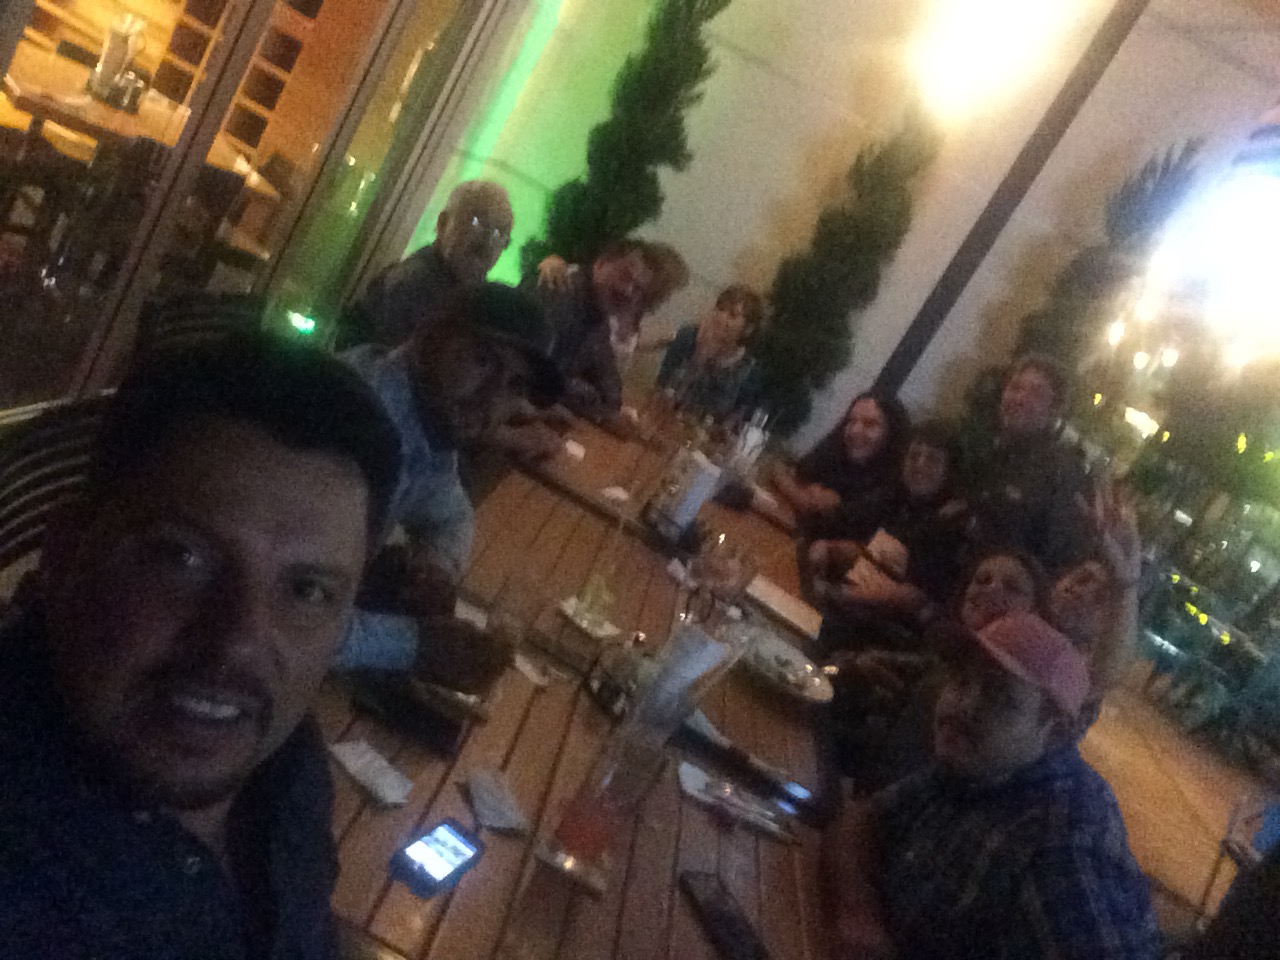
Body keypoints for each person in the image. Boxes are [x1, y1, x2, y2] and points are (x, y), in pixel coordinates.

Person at [0, 334, 402, 957]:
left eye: (306, 590)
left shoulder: (286, 762)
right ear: (64, 554)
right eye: (182, 557)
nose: (237, 643)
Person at [826, 611, 1159, 960]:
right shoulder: (979, 765)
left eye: (999, 697)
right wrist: (859, 917)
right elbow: (862, 819)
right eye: (961, 680)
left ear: (1054, 733)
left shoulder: (1062, 850)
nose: (964, 706)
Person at [337, 282, 562, 672]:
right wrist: (414, 646)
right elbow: (280, 620)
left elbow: (453, 515)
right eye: (482, 361)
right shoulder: (351, 422)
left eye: (514, 385)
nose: (492, 399)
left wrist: (434, 569)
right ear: (429, 339)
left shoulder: (429, 427)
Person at [809, 422, 970, 626]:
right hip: (848, 610)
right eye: (914, 456)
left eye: (932, 460)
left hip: (886, 630)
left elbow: (913, 598)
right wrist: (827, 548)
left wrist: (837, 594)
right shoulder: (895, 498)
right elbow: (845, 525)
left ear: (948, 472)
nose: (919, 465)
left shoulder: (949, 525)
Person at [339, 180, 514, 349]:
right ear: (443, 223)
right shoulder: (412, 287)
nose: (488, 240)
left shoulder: (479, 303)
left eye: (500, 232)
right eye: (476, 222)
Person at [529, 238, 687, 425]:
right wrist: (587, 399)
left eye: (638, 289)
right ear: (600, 263)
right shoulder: (563, 292)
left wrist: (593, 402)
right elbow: (537, 376)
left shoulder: (598, 316)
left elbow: (611, 390)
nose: (627, 290)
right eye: (624, 276)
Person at [966, 353, 1093, 573]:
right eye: (1015, 388)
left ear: (1054, 411)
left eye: (1037, 394)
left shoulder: (1064, 472)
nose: (1020, 398)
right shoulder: (989, 452)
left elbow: (1059, 556)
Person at [768, 391, 910, 540]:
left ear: (892, 434)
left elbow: (831, 528)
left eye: (870, 424)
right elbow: (779, 467)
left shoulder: (892, 490)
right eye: (851, 421)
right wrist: (801, 497)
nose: (855, 430)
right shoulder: (836, 451)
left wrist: (804, 498)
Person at [655, 284, 764, 422]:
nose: (721, 317)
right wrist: (701, 357)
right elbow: (661, 387)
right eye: (720, 309)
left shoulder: (749, 372)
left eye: (732, 315)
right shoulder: (688, 337)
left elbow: (735, 421)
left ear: (748, 329)